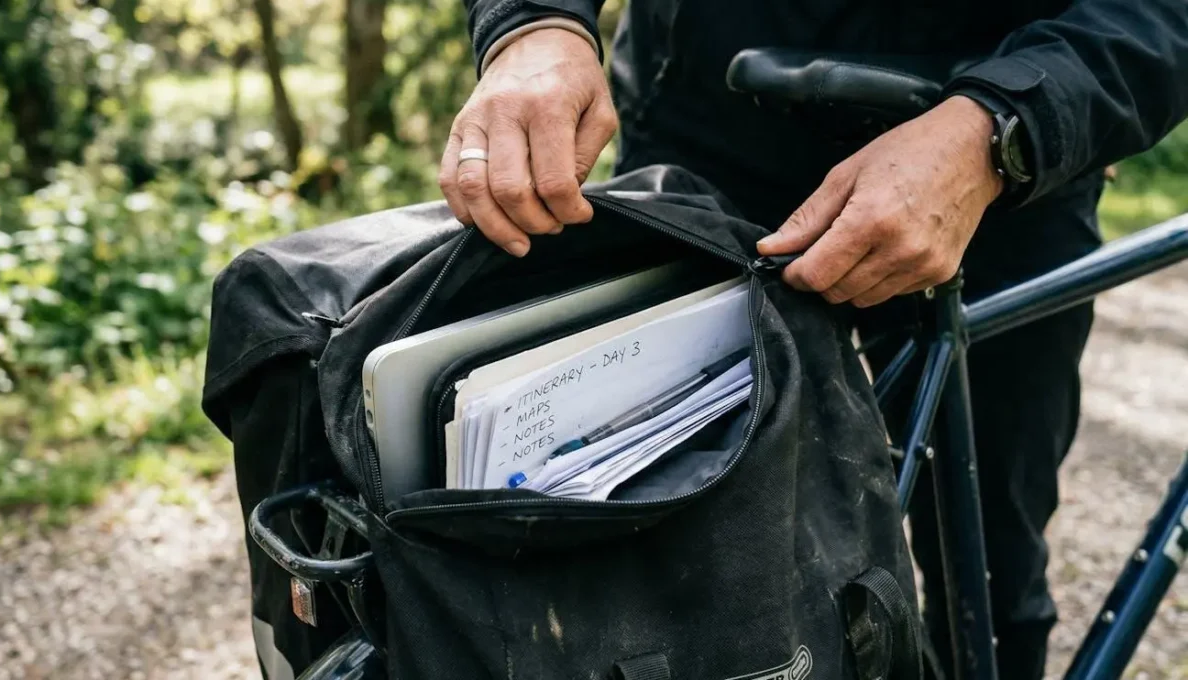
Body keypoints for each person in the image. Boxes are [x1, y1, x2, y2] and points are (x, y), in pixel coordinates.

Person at [440, 1, 1188, 677]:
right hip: (713, 124)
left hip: (1002, 166)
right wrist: (535, 26)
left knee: (990, 568)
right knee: (669, 562)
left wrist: (1005, 124)